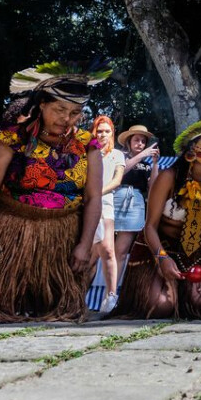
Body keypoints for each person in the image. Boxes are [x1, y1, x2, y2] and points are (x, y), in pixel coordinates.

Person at [0, 62, 108, 323]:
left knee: (59, 312)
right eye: (59, 109)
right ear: (42, 105)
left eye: (75, 112)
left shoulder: (87, 145)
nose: (66, 118)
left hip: (62, 234)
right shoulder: (9, 140)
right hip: (9, 230)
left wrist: (84, 244)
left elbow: (93, 198)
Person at [110, 105, 201, 319]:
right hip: (156, 252)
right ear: (190, 152)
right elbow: (150, 227)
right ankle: (163, 291)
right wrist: (162, 258)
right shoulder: (168, 177)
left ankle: (181, 295)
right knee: (161, 306)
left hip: (191, 257)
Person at [91, 115, 126, 313]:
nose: (103, 134)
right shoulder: (88, 153)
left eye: (106, 130)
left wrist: (97, 192)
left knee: (107, 249)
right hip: (86, 205)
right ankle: (77, 295)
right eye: (99, 130)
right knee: (87, 254)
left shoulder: (117, 155)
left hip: (105, 203)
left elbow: (117, 180)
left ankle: (111, 295)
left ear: (112, 132)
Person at [114, 124, 158, 276]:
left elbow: (153, 188)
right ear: (129, 141)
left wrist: (155, 164)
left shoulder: (146, 165)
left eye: (143, 141)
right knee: (99, 248)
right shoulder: (119, 156)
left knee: (120, 251)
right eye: (137, 140)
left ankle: (111, 295)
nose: (140, 144)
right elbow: (120, 172)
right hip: (114, 198)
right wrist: (141, 155)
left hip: (136, 202)